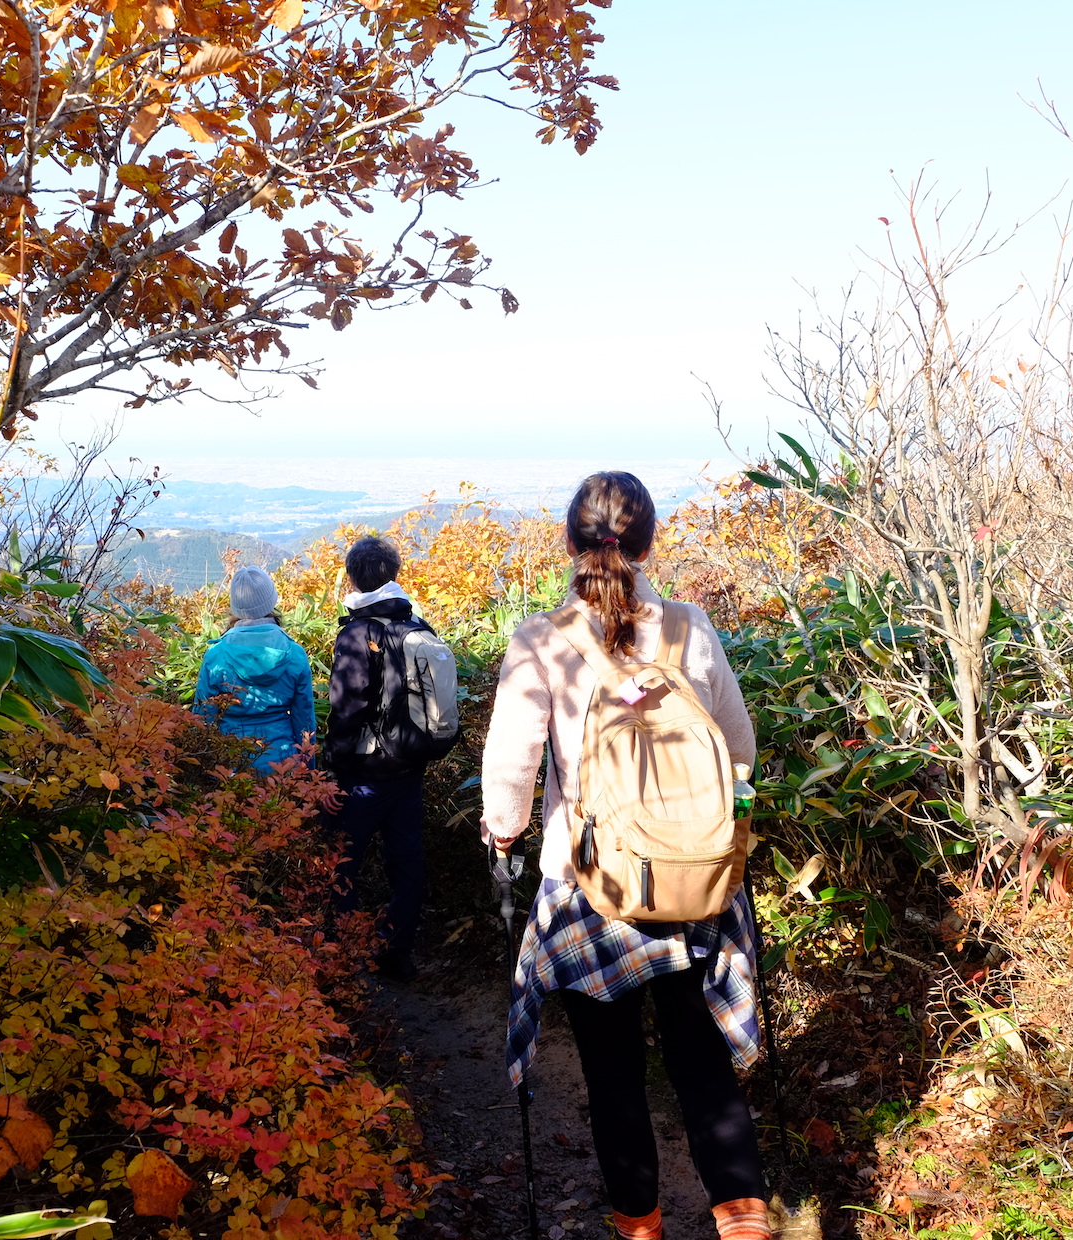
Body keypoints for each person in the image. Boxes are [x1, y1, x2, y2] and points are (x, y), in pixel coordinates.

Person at [480, 472, 771, 1240]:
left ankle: (640, 1228)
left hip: (588, 887)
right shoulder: (690, 626)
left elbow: (511, 770)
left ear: (570, 542)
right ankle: (744, 1224)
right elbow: (738, 750)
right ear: (647, 544)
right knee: (700, 1062)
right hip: (696, 880)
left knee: (614, 1073)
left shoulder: (540, 639)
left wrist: (503, 832)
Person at [324, 536, 432, 982]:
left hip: (365, 776)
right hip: (408, 767)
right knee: (407, 865)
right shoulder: (418, 626)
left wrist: (331, 772)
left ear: (352, 578)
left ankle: (343, 960)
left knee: (341, 865)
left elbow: (345, 710)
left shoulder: (357, 633)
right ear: (394, 574)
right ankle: (396, 951)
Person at [193, 565, 315, 776]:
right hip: (282, 763)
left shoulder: (216, 655)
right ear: (271, 602)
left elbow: (204, 716)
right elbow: (304, 718)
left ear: (235, 608)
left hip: (229, 762)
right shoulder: (294, 654)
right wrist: (307, 769)